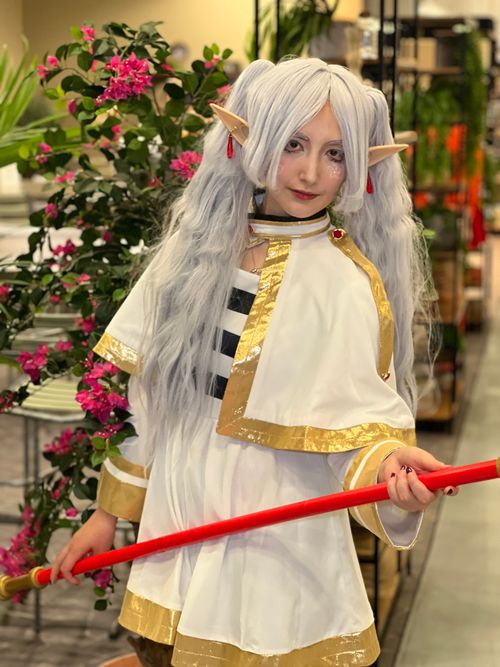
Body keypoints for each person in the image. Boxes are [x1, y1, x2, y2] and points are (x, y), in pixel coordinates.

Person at [52, 57, 457, 667]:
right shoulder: (194, 256)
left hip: (276, 547)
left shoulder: (346, 286)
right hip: (177, 526)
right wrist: (107, 515)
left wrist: (390, 471)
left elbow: (357, 434)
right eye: (294, 143)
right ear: (253, 140)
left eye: (335, 153)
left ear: (359, 168)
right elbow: (152, 406)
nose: (311, 172)